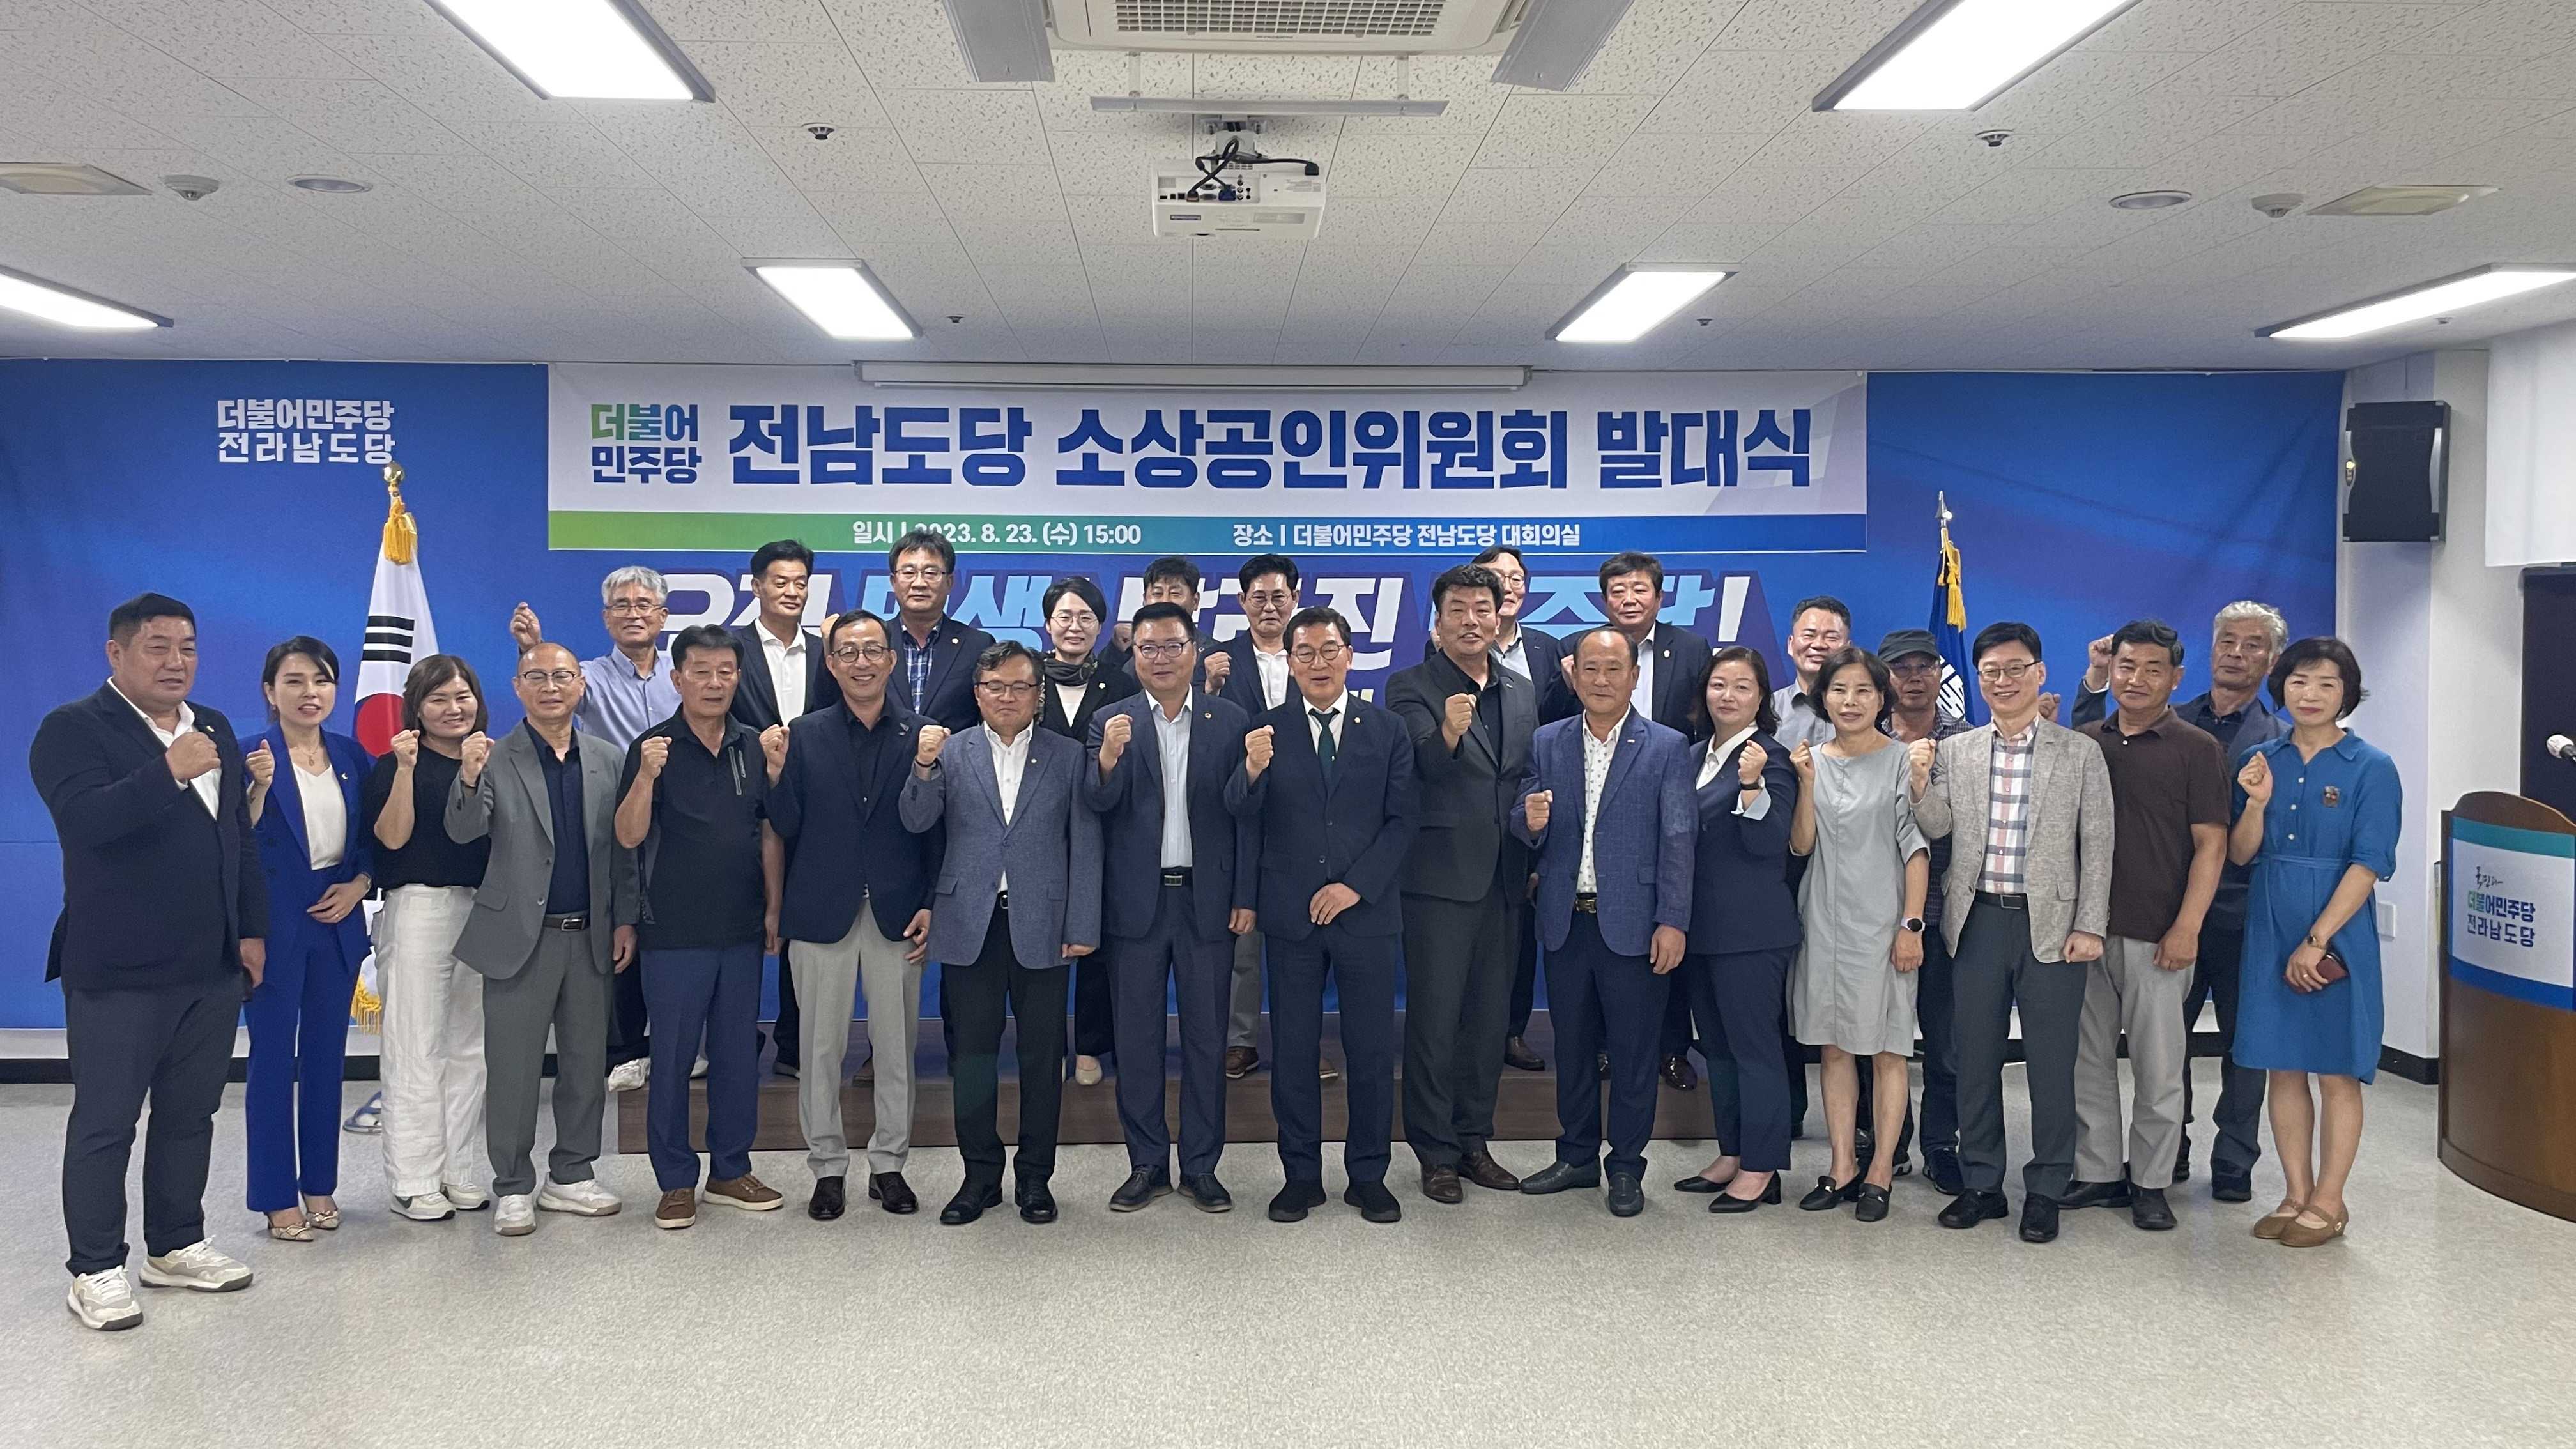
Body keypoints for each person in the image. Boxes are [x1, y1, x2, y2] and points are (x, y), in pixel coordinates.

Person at [33, 595, 267, 1329]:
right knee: (106, 1123)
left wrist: (251, 930)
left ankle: (175, 1244)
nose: (176, 662)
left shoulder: (213, 726)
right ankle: (95, 1267)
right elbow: (86, 822)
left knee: (190, 1114)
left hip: (210, 964)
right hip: (120, 971)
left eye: (187, 648)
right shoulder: (72, 728)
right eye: (158, 647)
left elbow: (237, 837)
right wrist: (167, 770)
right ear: (117, 652)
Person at [2076, 601, 2289, 1196]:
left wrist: (2186, 924)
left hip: (2212, 918)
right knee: (2103, 1059)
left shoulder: (2248, 742)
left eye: (2252, 645)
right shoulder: (2104, 737)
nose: (2237, 654)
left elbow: (2215, 844)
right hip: (2107, 922)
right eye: (2227, 641)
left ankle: (2206, 1169)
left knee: (2193, 1058)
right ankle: (2116, 1169)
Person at [1910, 622, 2114, 1245]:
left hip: (2052, 924)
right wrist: (1918, 785)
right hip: (1976, 921)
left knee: (2051, 1064)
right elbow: (1938, 827)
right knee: (1973, 1057)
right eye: (1991, 671)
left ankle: (2047, 1187)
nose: (2003, 681)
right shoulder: (1958, 751)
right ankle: (1982, 1183)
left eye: (2015, 668)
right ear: (1978, 679)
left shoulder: (2078, 753)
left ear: (2040, 672)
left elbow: (2098, 844)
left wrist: (2091, 924)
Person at [1227, 606, 1418, 1225]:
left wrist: (1353, 887)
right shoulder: (1266, 729)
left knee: (1370, 1052)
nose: (1318, 663)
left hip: (1366, 915)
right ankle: (1300, 1176)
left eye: (1329, 650)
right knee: (1293, 1052)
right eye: (1304, 653)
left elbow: (1403, 821)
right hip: (1292, 918)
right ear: (1289, 662)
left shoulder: (1387, 729)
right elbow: (1242, 816)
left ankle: (1369, 1176)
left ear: (1350, 656)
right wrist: (1251, 769)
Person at [901, 641, 1103, 1227]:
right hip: (970, 924)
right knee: (972, 1058)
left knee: (1043, 1059)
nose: (1007, 697)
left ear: (1039, 695)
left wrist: (1083, 923)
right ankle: (979, 1177)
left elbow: (1085, 844)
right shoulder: (950, 750)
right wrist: (922, 767)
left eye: (1020, 687)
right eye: (995, 687)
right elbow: (916, 820)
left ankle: (1036, 1179)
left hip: (1044, 923)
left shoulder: (1068, 755)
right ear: (977, 693)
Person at [445, 641, 638, 1238]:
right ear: (517, 687)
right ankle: (512, 1185)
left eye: (561, 677)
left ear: (582, 685)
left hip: (591, 935)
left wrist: (625, 919)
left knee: (585, 1065)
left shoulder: (608, 758)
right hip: (519, 939)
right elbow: (462, 831)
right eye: (537, 678)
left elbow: (623, 850)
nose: (550, 687)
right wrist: (467, 775)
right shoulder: (494, 756)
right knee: (514, 1070)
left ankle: (572, 1175)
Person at [1512, 627, 1696, 1218]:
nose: (1601, 680)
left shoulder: (1666, 746)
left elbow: (1678, 839)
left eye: (1613, 669)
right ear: (1573, 675)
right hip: (1566, 921)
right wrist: (1528, 821)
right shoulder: (1548, 741)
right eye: (1589, 668)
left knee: (1634, 1053)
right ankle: (1575, 1156)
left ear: (1634, 677)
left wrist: (1672, 921)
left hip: (1636, 925)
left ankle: (1626, 1167)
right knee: (1572, 1048)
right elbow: (1523, 817)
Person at [1083, 602, 1258, 1213]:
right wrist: (1107, 759)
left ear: (1194, 650)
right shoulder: (1110, 720)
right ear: (1134, 655)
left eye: (1172, 646)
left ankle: (1202, 1166)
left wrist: (1245, 896)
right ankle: (1148, 1164)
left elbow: (1245, 818)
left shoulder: (1230, 720)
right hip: (1135, 904)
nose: (1160, 658)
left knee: (1208, 1040)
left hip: (1207, 902)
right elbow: (1094, 806)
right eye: (1148, 648)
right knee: (1137, 1041)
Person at [768, 610, 940, 1222]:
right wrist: (774, 773)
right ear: (832, 663)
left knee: (895, 1049)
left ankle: (890, 1164)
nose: (861, 662)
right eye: (847, 652)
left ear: (892, 661)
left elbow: (936, 830)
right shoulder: (803, 733)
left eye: (872, 650)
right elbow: (785, 825)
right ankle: (827, 1168)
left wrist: (930, 902)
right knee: (819, 1049)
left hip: (898, 912)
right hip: (821, 911)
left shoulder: (922, 734)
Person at [615, 625, 788, 1229]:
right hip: (673, 932)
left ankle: (731, 1170)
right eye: (701, 672)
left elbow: (768, 833)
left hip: (741, 929)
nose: (714, 683)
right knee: (672, 1059)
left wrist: (774, 908)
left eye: (725, 672)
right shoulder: (652, 747)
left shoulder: (752, 745)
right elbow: (628, 836)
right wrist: (645, 777)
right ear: (678, 678)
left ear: (738, 677)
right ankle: (674, 1181)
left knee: (737, 1057)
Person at [2230, 637, 2398, 1249]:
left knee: (2336, 1070)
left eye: (2328, 683)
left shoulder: (2371, 766)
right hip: (2270, 920)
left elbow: (2371, 862)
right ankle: (2295, 1193)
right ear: (2282, 686)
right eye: (2300, 681)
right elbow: (2241, 854)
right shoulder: (2261, 757)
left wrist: (2317, 939)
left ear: (2347, 694)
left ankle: (2330, 1200)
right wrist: (2256, 803)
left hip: (2337, 929)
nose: (2311, 694)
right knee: (2283, 1064)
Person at [2064, 619, 2229, 1232]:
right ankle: (2098, 1171)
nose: (2136, 679)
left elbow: (2212, 845)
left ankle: (2152, 1181)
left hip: (2160, 935)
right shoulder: (2087, 742)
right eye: (2126, 666)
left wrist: (2188, 926)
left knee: (2159, 1068)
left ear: (2176, 678)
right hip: (2087, 930)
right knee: (2088, 1059)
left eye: (2152, 669)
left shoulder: (2197, 748)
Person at [1386, 564, 1536, 1203]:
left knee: (1487, 1021)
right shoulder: (1410, 686)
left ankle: (1475, 1142)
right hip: (1438, 880)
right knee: (1435, 1022)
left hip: (1506, 877)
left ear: (1500, 616)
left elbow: (1523, 774)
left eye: (1483, 608)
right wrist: (1448, 730)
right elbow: (1417, 768)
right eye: (1458, 609)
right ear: (1438, 620)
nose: (1472, 621)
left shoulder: (1521, 688)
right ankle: (1435, 1153)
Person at [509, 567, 676, 1092]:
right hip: (612, 820)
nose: (633, 614)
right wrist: (531, 649)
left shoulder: (683, 674)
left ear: (663, 616)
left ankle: (678, 1044)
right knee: (620, 928)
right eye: (621, 605)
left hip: (680, 825)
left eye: (644, 604)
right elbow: (549, 700)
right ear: (606, 618)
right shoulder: (587, 676)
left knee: (675, 932)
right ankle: (625, 1051)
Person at [1782, 647, 1928, 1223]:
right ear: (1823, 697)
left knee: (1888, 1051)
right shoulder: (1811, 759)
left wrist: (1910, 925)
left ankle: (1881, 1170)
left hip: (1883, 925)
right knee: (1834, 1047)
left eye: (1863, 690)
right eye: (1839, 690)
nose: (1850, 701)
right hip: (1822, 921)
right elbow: (1801, 845)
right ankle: (1842, 1165)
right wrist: (1804, 784)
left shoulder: (1900, 760)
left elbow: (1916, 850)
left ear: (1881, 698)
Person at [242, 638, 376, 1242]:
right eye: (294, 681)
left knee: (326, 1059)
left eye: (321, 681)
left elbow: (373, 839)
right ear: (270, 692)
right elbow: (230, 842)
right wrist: (256, 790)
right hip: (273, 927)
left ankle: (319, 1183)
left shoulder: (352, 755)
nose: (309, 693)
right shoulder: (249, 754)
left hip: (336, 920)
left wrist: (360, 886)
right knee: (272, 1060)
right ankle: (276, 1197)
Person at [361, 654, 494, 1223]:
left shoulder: (491, 759)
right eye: (438, 699)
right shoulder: (394, 763)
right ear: (416, 707)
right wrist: (406, 769)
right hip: (418, 906)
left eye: (462, 697)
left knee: (470, 1049)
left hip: (481, 909)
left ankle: (458, 1169)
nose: (453, 709)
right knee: (416, 1045)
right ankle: (414, 1178)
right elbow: (391, 840)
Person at [1673, 646, 1800, 1213]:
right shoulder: (1692, 755)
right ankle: (1732, 1151)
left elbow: (1770, 844)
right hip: (1699, 928)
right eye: (1719, 684)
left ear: (1761, 698)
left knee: (1755, 1050)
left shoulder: (1770, 758)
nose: (1728, 696)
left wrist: (1751, 787)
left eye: (1743, 686)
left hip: (1751, 932)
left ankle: (1762, 1166)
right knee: (1718, 1051)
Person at [1202, 554, 1317, 1083]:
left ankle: (1302, 1043)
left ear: (1296, 597)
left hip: (1304, 814)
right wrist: (1209, 690)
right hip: (1238, 811)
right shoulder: (1217, 660)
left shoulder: (1313, 654)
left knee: (1303, 941)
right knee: (1243, 934)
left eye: (1279, 597)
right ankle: (1241, 1039)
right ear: (1242, 602)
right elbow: (1199, 731)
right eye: (1258, 598)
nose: (1269, 607)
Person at [1459, 543, 1569, 1074]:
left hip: (1532, 801)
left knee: (1521, 925)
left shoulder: (1549, 649)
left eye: (1517, 577)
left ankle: (1512, 1029)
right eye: (1496, 576)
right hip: (1470, 807)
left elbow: (1559, 725)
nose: (1508, 585)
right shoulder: (1451, 645)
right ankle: (1468, 1029)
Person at [726, 539, 834, 1082]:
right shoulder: (731, 649)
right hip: (743, 802)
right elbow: (713, 714)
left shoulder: (826, 652)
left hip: (814, 808)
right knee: (746, 921)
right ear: (757, 587)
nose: (791, 592)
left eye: (800, 583)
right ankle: (734, 1038)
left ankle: (795, 1045)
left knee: (805, 923)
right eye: (780, 582)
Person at [1878, 627, 1972, 1194]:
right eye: (1902, 668)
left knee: (1945, 1043)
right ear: (1885, 676)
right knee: (1879, 1038)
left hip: (1944, 917)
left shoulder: (1967, 742)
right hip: (1874, 914)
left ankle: (1941, 1144)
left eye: (1925, 667)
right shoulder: (1865, 736)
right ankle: (1888, 1141)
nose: (1914, 678)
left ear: (1941, 673)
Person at [1038, 574, 1128, 1088]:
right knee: (1041, 941)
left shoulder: (1121, 683)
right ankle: (1048, 1044)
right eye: (1065, 617)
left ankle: (1092, 1044)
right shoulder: (1024, 679)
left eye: (1086, 618)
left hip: (1103, 828)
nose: (1075, 627)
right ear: (1048, 623)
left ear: (1100, 626)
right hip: (1038, 830)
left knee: (1097, 942)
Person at [1588, 551, 1710, 739]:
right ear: (1605, 600)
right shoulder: (1578, 648)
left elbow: (1707, 720)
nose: (1629, 600)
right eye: (1618, 592)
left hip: (1669, 755)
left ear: (1659, 598)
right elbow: (1554, 719)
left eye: (1640, 590)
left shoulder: (1691, 649)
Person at [886, 527, 997, 732]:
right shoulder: (875, 643)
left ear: (949, 582)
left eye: (931, 573)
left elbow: (992, 720)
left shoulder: (978, 645)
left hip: (953, 752)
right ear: (894, 582)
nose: (919, 583)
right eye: (909, 573)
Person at [1773, 597, 1853, 750]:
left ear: (1848, 649)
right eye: (1809, 636)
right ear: (1791, 645)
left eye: (1832, 638)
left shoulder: (1863, 708)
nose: (1818, 645)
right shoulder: (1769, 710)